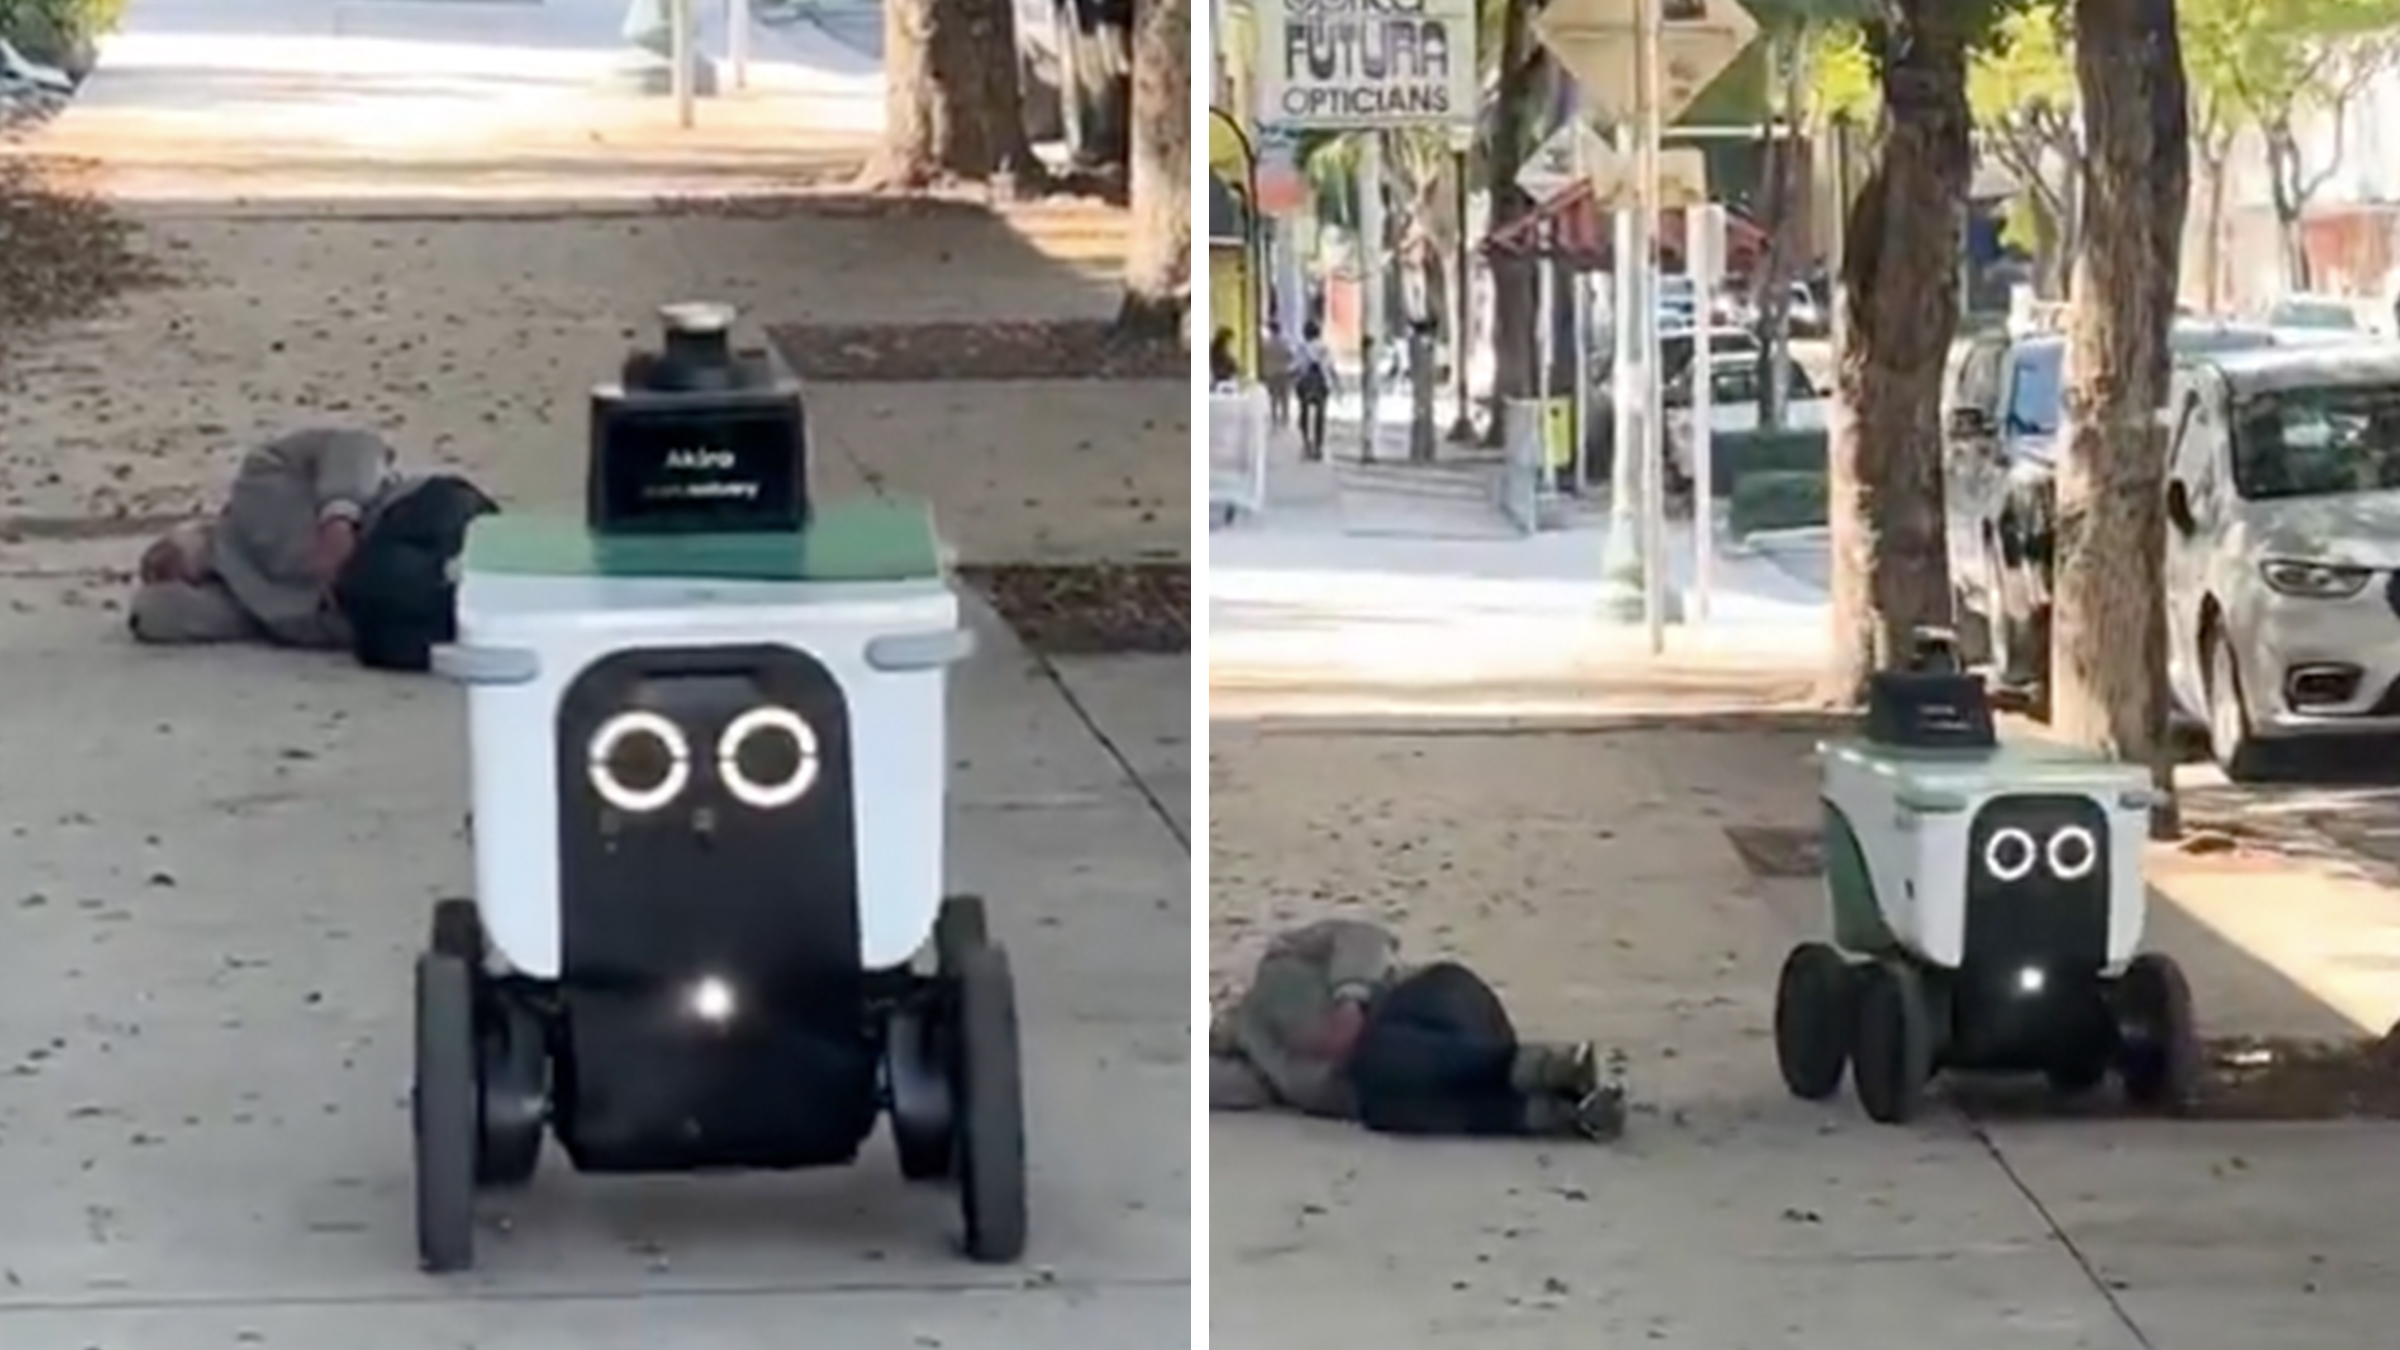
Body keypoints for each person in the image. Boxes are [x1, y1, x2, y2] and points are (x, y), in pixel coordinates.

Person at [1209, 918, 1626, 1140]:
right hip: (1403, 1078)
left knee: (1382, 1055)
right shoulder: (1261, 1060)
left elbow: (1363, 935)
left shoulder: (1279, 963)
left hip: (1431, 1002)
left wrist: (1350, 998)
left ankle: (1541, 1067)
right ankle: (1564, 1113)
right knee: (1385, 1110)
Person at [1292, 321, 1335, 460]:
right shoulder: (1325, 348)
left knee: (1304, 412)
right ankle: (1319, 445)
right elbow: (1330, 366)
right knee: (1320, 415)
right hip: (1321, 384)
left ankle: (1306, 442)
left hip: (1305, 383)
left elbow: (1297, 366)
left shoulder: (1302, 348)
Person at [1260, 326, 1295, 428]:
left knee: (1273, 397)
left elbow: (1262, 358)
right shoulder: (1285, 343)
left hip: (1271, 373)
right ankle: (1285, 416)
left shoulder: (1266, 344)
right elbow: (1290, 356)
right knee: (1285, 397)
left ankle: (1274, 416)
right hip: (1284, 372)